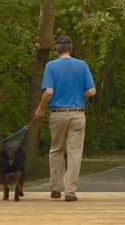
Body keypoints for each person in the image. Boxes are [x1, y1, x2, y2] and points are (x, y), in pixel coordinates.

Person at [33, 35, 96, 202]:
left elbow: (49, 92)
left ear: (56, 49)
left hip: (57, 114)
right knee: (74, 152)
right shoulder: (82, 65)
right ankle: (70, 191)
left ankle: (55, 188)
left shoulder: (51, 66)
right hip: (77, 113)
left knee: (56, 150)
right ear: (71, 49)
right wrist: (81, 94)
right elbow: (92, 91)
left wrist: (40, 109)